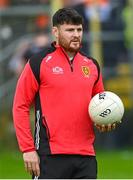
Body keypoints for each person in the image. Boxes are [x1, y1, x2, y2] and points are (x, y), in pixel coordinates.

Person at [13, 7, 116, 179]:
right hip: (49, 155)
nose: (76, 34)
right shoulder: (38, 62)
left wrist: (104, 121)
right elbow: (20, 105)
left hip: (86, 156)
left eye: (79, 29)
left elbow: (99, 104)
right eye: (70, 30)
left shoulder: (92, 65)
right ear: (55, 31)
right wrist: (28, 149)